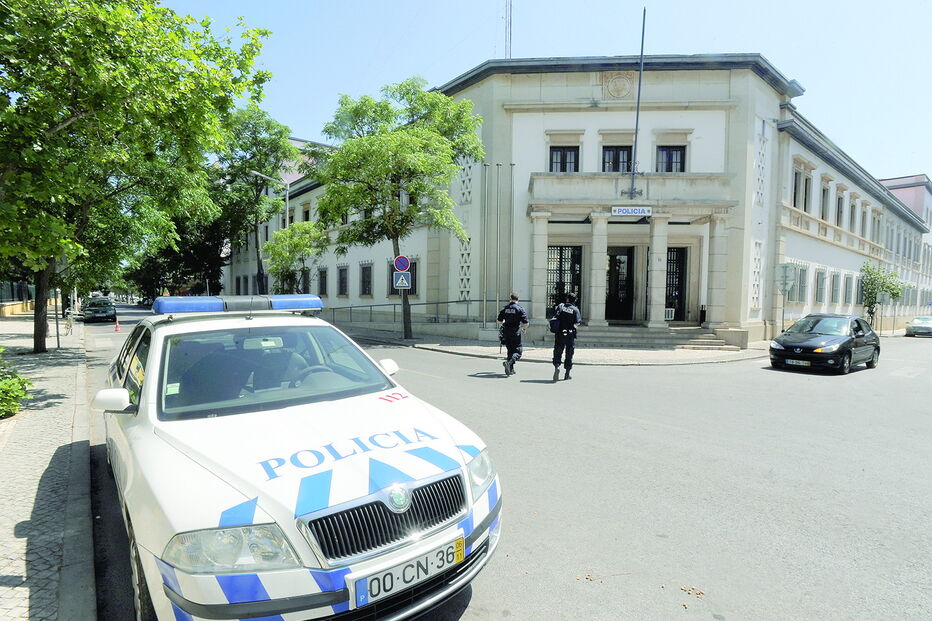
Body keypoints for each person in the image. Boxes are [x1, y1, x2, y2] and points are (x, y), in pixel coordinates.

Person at [497, 292, 529, 376]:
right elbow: (526, 323)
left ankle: (511, 370)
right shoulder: (519, 309)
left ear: (510, 299)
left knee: (510, 351)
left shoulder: (505, 308)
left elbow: (499, 321)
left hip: (506, 332)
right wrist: (524, 329)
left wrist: (504, 321)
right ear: (518, 300)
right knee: (518, 351)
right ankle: (508, 363)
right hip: (515, 332)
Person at [551, 292, 581, 381]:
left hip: (560, 332)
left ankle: (557, 366)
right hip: (570, 334)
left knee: (558, 350)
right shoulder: (575, 310)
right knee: (569, 353)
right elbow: (577, 322)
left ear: (567, 299)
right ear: (575, 300)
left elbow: (555, 316)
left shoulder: (561, 307)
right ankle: (567, 374)